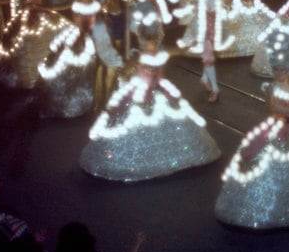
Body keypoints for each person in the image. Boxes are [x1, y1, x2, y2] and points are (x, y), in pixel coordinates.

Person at [80, 13, 221, 182]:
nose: (148, 45)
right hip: (144, 91)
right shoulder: (148, 55)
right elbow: (153, 73)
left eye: (148, 41)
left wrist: (134, 76)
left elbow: (152, 75)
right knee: (127, 116)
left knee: (130, 117)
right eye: (147, 42)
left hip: (147, 92)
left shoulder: (144, 56)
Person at [215, 31, 289, 229]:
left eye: (282, 70)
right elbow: (276, 108)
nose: (279, 73)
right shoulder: (272, 89)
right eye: (276, 70)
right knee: (257, 150)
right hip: (280, 126)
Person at [38, 0, 123, 119]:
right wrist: (45, 7)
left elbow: (111, 10)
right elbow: (59, 6)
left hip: (95, 34)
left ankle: (96, 102)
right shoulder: (76, 2)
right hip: (80, 34)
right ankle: (82, 102)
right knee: (70, 63)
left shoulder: (95, 4)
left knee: (97, 65)